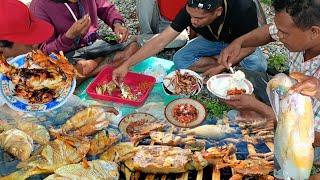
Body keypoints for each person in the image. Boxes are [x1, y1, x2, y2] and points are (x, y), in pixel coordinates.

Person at [216, 0, 320, 177]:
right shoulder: (299, 33)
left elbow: (313, 136)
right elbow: (269, 31)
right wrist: (239, 42)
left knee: (239, 124)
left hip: (308, 137)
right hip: (291, 100)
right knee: (236, 79)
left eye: (284, 33)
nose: (279, 35)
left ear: (314, 32)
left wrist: (257, 109)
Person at [112, 0, 267, 84]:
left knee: (259, 66)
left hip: (239, 42)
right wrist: (126, 64)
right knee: (180, 60)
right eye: (190, 16)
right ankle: (226, 63)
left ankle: (223, 63)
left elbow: (251, 45)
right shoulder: (192, 8)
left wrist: (219, 67)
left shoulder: (243, 6)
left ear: (218, 12)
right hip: (211, 41)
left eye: (199, 19)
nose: (192, 22)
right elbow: (161, 40)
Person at [30, 0, 139, 85]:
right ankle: (99, 63)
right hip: (67, 54)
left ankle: (90, 69)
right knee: (64, 77)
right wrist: (68, 36)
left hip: (94, 44)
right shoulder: (40, 5)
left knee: (134, 47)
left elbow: (105, 8)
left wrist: (117, 24)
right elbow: (43, 50)